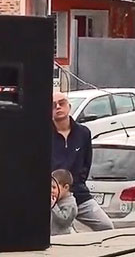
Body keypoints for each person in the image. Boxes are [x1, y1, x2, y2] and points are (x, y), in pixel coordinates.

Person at [51, 91, 113, 231]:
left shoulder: (83, 133)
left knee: (106, 226)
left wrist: (77, 182)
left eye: (62, 103)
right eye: (53, 105)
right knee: (61, 233)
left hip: (79, 193)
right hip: (53, 196)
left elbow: (86, 162)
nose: (58, 107)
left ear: (69, 106)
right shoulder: (43, 134)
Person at [50, 169, 77, 236]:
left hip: (63, 238)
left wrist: (54, 206)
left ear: (66, 187)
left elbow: (64, 221)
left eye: (54, 187)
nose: (51, 190)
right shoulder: (56, 200)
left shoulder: (70, 204)